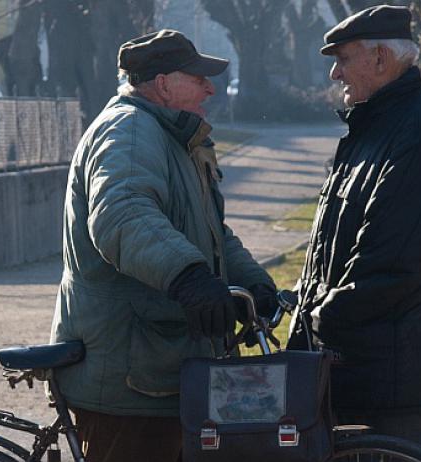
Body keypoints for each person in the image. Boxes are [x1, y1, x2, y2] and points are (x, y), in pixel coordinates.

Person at [49, 29, 277, 462]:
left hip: (163, 365)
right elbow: (123, 216)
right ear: (163, 82)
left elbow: (211, 234)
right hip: (129, 376)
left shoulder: (173, 137)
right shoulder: (131, 132)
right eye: (198, 77)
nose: (210, 87)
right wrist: (190, 278)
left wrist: (257, 285)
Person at [288, 5, 421, 451]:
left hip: (390, 379)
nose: (334, 74)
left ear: (381, 58)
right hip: (355, 367)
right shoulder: (370, 127)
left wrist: (319, 317)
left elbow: (393, 263)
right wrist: (301, 307)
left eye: (343, 59)